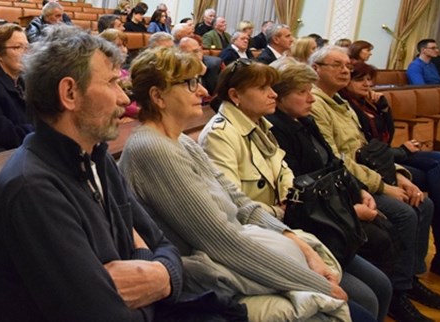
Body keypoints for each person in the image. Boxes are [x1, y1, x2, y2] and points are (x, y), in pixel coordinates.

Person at [119, 47, 366, 322]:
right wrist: (315, 282)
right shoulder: (153, 149)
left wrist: (296, 241)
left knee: (363, 294)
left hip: (238, 257)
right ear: (157, 96)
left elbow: (239, 201)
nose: (203, 91)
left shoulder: (181, 140)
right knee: (354, 308)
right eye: (191, 84)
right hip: (211, 279)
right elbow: (221, 241)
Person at [0, 30, 195, 322]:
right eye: (112, 82)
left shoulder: (97, 156)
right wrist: (161, 277)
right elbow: (105, 316)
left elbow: (163, 244)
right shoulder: (31, 187)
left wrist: (155, 274)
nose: (124, 98)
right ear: (69, 93)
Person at [308, 46, 440, 320]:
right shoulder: (316, 104)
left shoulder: (341, 102)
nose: (345, 70)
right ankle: (398, 292)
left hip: (369, 174)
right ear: (316, 69)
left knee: (424, 202)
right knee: (405, 213)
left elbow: (371, 149)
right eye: (336, 65)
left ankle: (409, 278)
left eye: (347, 65)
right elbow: (339, 160)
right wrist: (384, 187)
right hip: (350, 182)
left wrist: (398, 175)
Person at [267, 62, 398, 322]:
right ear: (280, 96)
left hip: (336, 202)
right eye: (302, 92)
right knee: (382, 255)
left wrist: (360, 191)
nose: (311, 98)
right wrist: (351, 210)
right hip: (316, 218)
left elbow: (334, 162)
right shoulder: (277, 129)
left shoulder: (305, 120)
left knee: (385, 261)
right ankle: (401, 293)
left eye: (310, 90)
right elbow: (300, 190)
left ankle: (403, 289)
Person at [342, 61, 440, 290]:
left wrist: (383, 109)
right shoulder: (346, 105)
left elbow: (385, 135)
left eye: (369, 79)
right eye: (360, 79)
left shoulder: (370, 102)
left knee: (439, 166)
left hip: (385, 158)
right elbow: (366, 149)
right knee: (436, 170)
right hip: (378, 162)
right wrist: (401, 152)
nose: (367, 83)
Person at [198, 60, 294, 219]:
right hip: (256, 225)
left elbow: (283, 170)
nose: (274, 94)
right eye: (263, 88)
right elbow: (232, 201)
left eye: (271, 87)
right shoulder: (218, 135)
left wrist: (289, 199)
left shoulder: (260, 123)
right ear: (235, 95)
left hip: (281, 215)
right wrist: (278, 211)